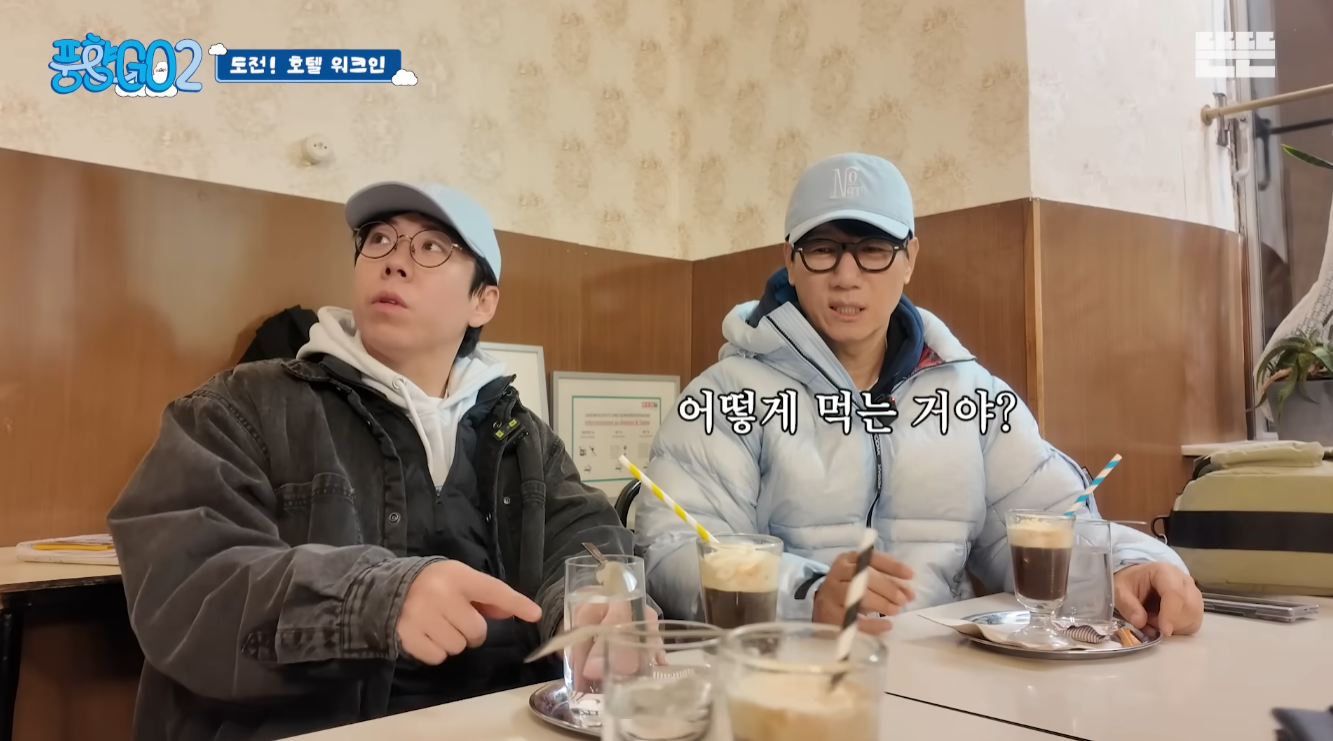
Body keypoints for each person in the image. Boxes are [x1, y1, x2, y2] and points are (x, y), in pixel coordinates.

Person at [107, 182, 638, 741]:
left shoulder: (524, 437)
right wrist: (375, 599)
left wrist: (597, 603)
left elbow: (585, 541)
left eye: (430, 247)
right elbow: (183, 584)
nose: (394, 263)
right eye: (379, 240)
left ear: (482, 301)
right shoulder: (239, 407)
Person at [634, 153, 1204, 638]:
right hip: (793, 676)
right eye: (822, 248)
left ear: (910, 259)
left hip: (944, 677)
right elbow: (675, 549)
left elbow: (1050, 521)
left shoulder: (970, 396)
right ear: (790, 259)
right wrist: (807, 596)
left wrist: (1128, 568)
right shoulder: (724, 397)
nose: (847, 276)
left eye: (873, 249)